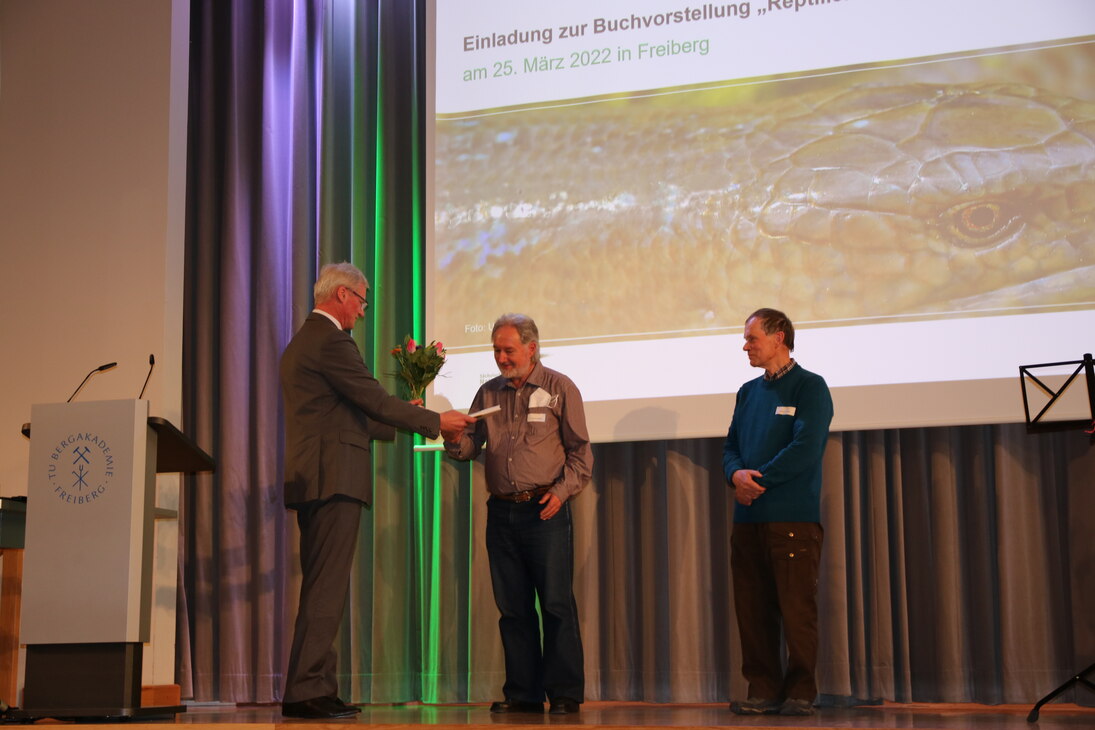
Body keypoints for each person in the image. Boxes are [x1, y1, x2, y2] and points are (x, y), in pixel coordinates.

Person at [279, 262, 474, 719]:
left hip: (316, 475)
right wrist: (433, 421)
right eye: (362, 302)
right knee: (326, 588)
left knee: (321, 587)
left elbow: (348, 411)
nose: (362, 313)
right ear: (343, 295)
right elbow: (371, 399)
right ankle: (307, 691)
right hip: (333, 476)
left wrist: (397, 418)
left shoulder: (304, 341)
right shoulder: (331, 340)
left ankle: (313, 686)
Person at [444, 313, 592, 715]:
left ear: (531, 347)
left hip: (546, 509)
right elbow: (467, 450)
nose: (502, 358)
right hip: (502, 513)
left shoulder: (561, 388)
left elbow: (581, 455)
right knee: (513, 609)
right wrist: (452, 436)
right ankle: (523, 694)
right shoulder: (487, 393)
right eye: (496, 350)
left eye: (508, 350)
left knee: (557, 604)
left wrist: (561, 494)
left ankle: (564, 694)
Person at [722, 308, 834, 717]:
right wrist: (736, 475)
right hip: (748, 520)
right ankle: (763, 689)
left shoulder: (810, 387)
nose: (745, 346)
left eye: (752, 338)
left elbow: (805, 449)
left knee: (796, 608)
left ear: (779, 338)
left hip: (792, 519)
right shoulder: (748, 392)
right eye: (746, 338)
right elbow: (730, 447)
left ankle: (801, 691)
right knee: (752, 610)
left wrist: (758, 481)